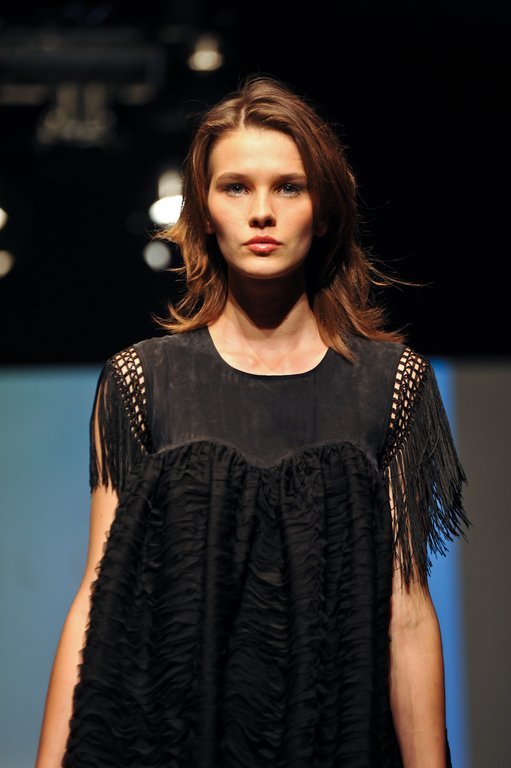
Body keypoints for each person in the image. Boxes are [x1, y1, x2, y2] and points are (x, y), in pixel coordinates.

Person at [35, 74, 469, 768]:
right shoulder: (143, 379)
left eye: (288, 187)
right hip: (174, 737)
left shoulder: (390, 383)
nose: (261, 212)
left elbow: (407, 607)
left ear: (322, 212)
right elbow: (99, 591)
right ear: (204, 211)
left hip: (335, 737)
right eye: (235, 187)